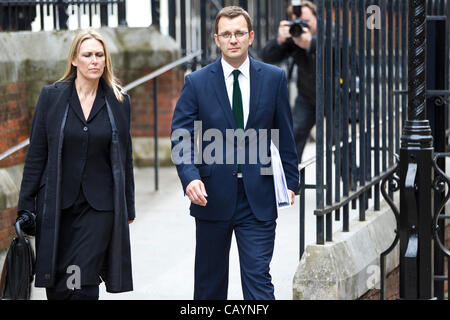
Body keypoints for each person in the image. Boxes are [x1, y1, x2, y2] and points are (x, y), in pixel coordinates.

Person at [171, 6, 299, 300]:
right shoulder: (197, 82)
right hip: (211, 195)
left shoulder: (273, 78)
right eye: (226, 34)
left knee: (258, 279)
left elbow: (285, 134)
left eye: (239, 33)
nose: (233, 39)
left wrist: (291, 182)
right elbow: (181, 136)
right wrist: (189, 177)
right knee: (209, 285)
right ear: (216, 39)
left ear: (251, 36)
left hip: (259, 196)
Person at [16, 29, 135, 300]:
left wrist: (128, 204)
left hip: (99, 207)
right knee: (58, 283)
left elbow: (125, 158)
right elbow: (36, 155)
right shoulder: (52, 97)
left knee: (82, 280)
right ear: (74, 60)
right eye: (87, 55)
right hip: (57, 203)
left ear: (106, 60)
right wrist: (25, 205)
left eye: (99, 55)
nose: (94, 60)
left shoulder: (118, 102)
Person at [261, 1, 317, 163]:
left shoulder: (330, 31)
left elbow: (342, 47)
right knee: (292, 136)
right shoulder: (295, 36)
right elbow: (268, 56)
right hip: (307, 95)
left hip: (335, 96)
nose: (302, 25)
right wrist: (279, 40)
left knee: (339, 143)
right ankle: (290, 180)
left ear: (316, 17)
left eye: (306, 21)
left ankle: (352, 181)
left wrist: (311, 44)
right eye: (297, 21)